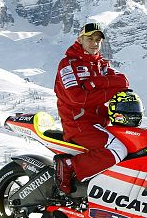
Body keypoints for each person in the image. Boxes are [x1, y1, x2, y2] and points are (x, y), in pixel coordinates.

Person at [53, 23, 130, 194]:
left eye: (98, 40)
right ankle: (68, 165)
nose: (94, 43)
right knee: (118, 149)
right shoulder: (68, 64)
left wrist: (95, 83)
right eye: (90, 39)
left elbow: (124, 82)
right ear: (80, 39)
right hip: (78, 125)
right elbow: (78, 98)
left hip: (99, 124)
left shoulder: (101, 64)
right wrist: (108, 92)